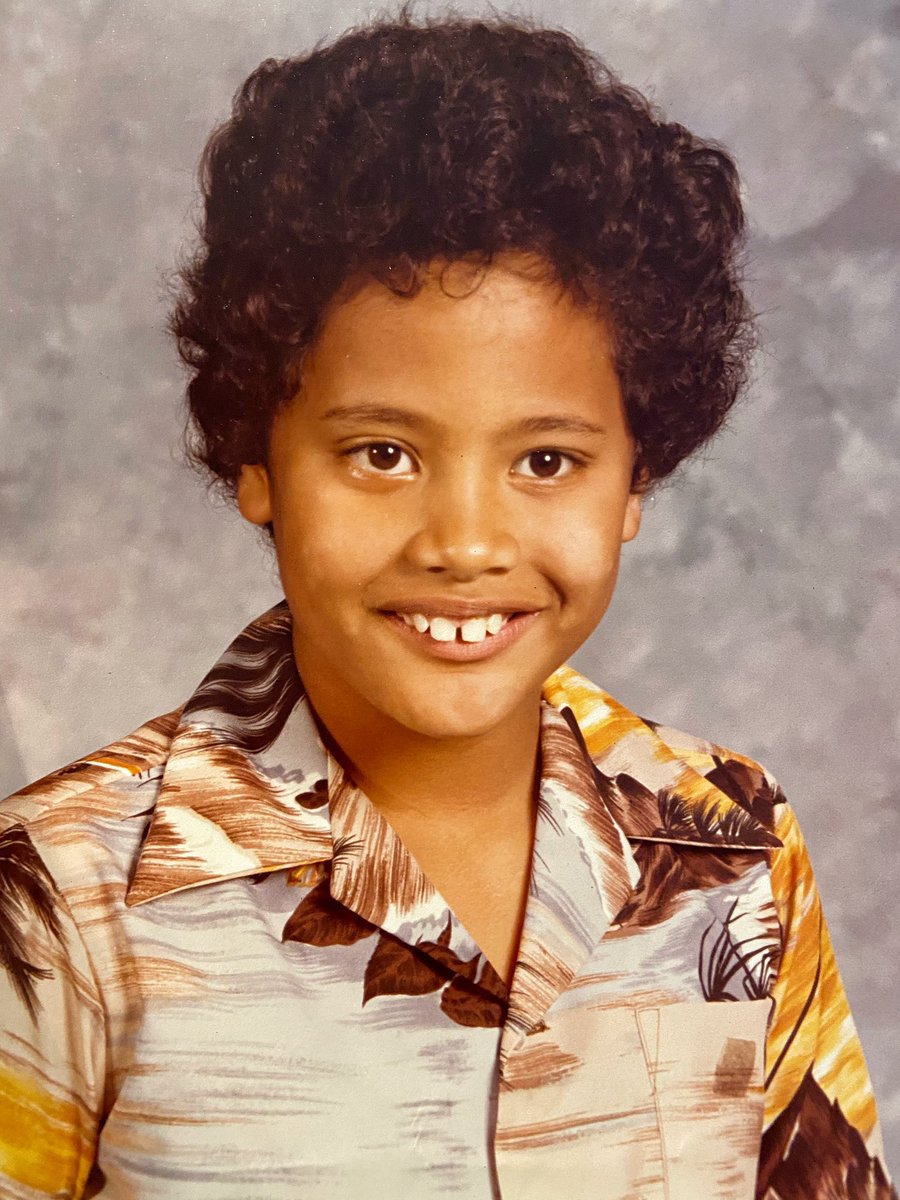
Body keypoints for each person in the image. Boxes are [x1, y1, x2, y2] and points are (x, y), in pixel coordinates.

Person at [0, 14, 893, 1200]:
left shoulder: (733, 847)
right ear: (254, 456)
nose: (467, 543)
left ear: (638, 476)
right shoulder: (60, 893)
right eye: (380, 453)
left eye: (546, 463)